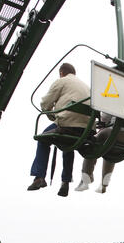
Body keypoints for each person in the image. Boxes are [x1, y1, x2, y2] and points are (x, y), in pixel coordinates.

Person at [27, 63, 94, 197]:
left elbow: (45, 104)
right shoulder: (87, 87)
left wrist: (52, 117)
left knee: (43, 138)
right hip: (87, 129)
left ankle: (39, 176)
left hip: (68, 124)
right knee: (67, 144)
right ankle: (65, 181)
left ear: (62, 73)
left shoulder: (62, 81)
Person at [74, 112, 124, 194]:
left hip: (116, 132)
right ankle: (104, 184)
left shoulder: (116, 98)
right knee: (111, 151)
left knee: (92, 142)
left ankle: (86, 178)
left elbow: (105, 118)